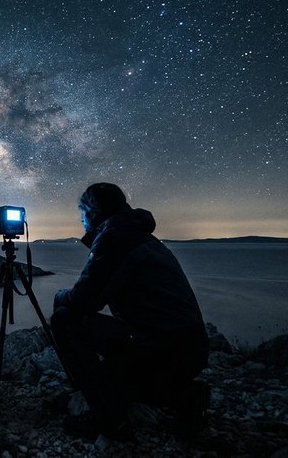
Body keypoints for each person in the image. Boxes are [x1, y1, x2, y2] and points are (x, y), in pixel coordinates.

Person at [51, 182, 210, 441]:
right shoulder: (140, 235)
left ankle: (110, 419)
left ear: (92, 211)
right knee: (119, 375)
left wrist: (60, 296)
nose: (80, 220)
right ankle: (186, 395)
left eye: (82, 213)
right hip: (191, 347)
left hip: (162, 346)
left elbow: (85, 299)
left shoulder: (114, 237)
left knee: (65, 318)